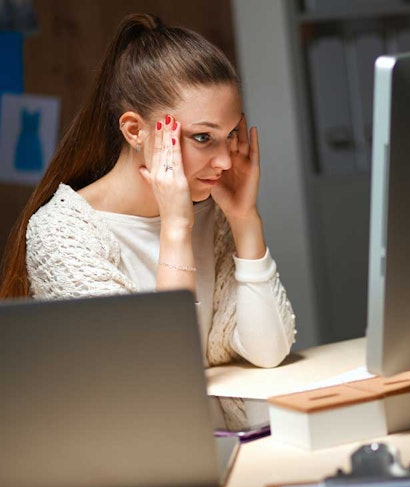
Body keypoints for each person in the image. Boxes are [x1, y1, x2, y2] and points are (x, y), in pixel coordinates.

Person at [0, 13, 295, 368]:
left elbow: (270, 351)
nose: (226, 162)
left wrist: (245, 219)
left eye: (230, 135)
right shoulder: (61, 233)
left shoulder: (213, 212)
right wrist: (174, 229)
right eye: (203, 137)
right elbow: (163, 371)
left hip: (232, 425)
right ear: (134, 130)